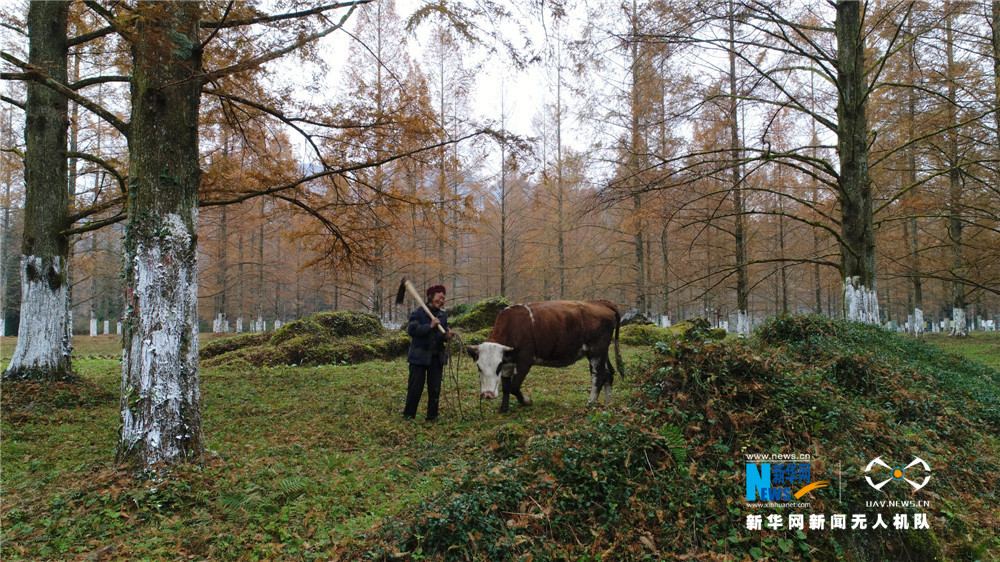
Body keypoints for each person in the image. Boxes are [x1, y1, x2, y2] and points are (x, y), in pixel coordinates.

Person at [403, 284, 454, 421]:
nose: (442, 300)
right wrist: (429, 326)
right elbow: (412, 330)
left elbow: (441, 333)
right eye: (439, 297)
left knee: (435, 389)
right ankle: (409, 415)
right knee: (415, 388)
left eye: (444, 298)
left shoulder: (443, 315)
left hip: (436, 358)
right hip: (419, 357)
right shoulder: (418, 312)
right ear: (431, 297)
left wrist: (446, 336)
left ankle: (432, 417)